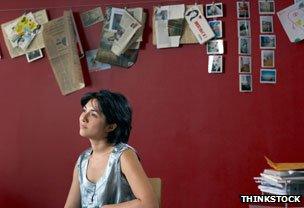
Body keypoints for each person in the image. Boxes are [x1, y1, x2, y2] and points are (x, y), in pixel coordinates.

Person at [64, 90, 158, 208]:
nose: (83, 117)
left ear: (111, 126)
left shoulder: (124, 155)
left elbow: (150, 204)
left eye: (93, 114)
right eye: (84, 110)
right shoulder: (82, 160)